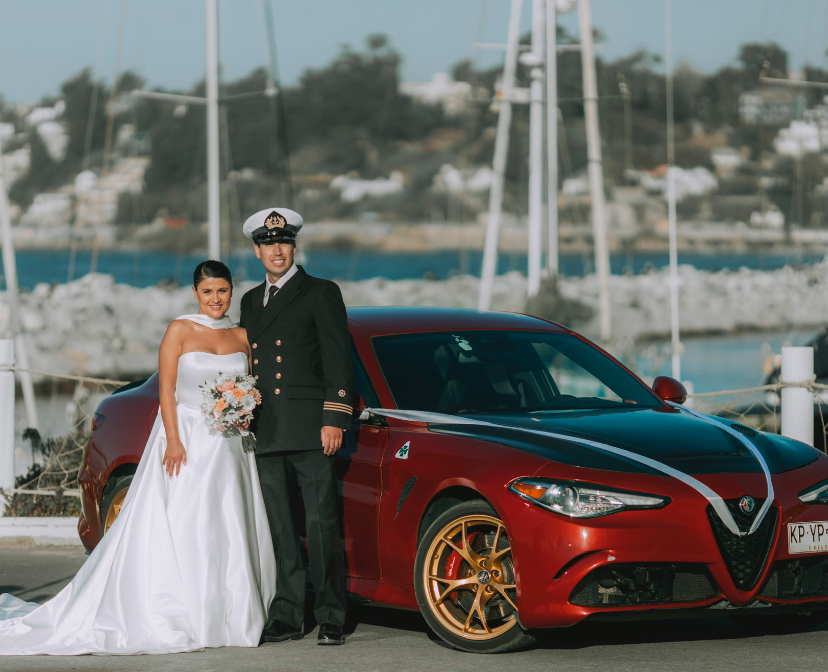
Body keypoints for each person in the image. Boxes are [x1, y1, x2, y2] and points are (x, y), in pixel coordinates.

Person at [0, 261, 276, 656]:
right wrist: (174, 441)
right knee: (187, 520)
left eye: (222, 291)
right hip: (188, 437)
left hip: (230, 444)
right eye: (207, 292)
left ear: (231, 291)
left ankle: (230, 614)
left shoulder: (242, 335)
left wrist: (244, 410)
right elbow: (166, 390)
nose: (215, 299)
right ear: (195, 294)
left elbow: (249, 384)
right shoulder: (179, 329)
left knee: (228, 521)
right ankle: (186, 612)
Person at [239, 207, 352, 646]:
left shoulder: (321, 292)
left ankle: (331, 616)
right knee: (281, 528)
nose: (277, 250)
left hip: (311, 429)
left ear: (294, 246)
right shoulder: (250, 301)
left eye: (284, 242)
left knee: (322, 526)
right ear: (257, 251)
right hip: (267, 429)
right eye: (269, 244)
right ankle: (287, 615)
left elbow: (338, 360)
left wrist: (334, 418)